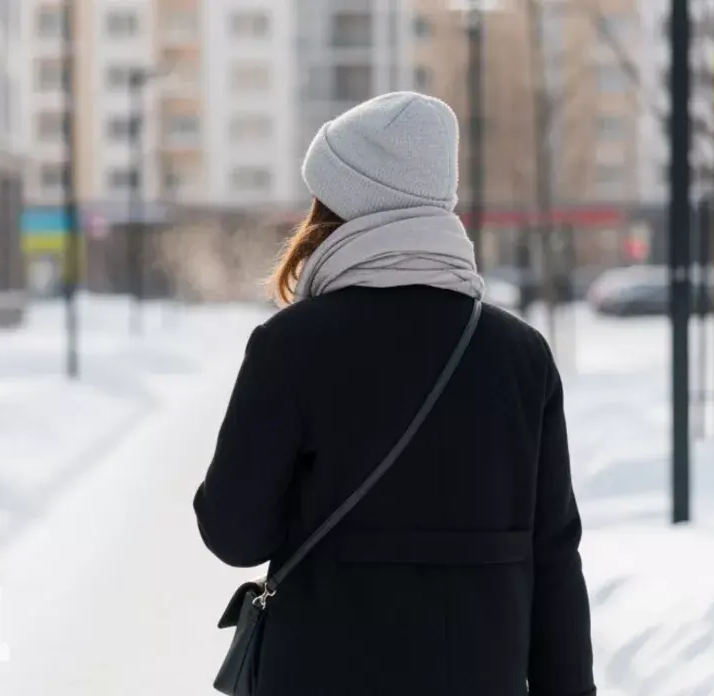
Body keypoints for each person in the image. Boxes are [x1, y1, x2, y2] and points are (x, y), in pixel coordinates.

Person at [194, 92, 596, 696]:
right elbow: (554, 556)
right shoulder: (520, 355)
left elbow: (233, 534)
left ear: (341, 205)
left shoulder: (291, 346)